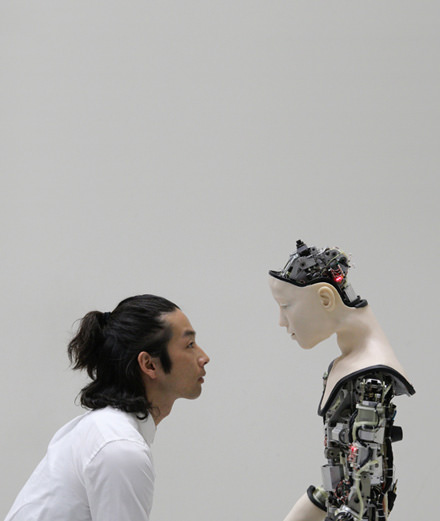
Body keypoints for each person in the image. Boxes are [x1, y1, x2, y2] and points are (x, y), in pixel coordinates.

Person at [5, 294, 210, 521]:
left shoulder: (105, 431)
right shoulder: (120, 448)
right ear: (149, 364)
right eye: (189, 345)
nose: (204, 357)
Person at [269, 241, 415, 521]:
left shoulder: (370, 378)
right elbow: (341, 486)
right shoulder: (345, 369)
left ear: (326, 299)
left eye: (286, 306)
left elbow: (364, 495)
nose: (281, 321)